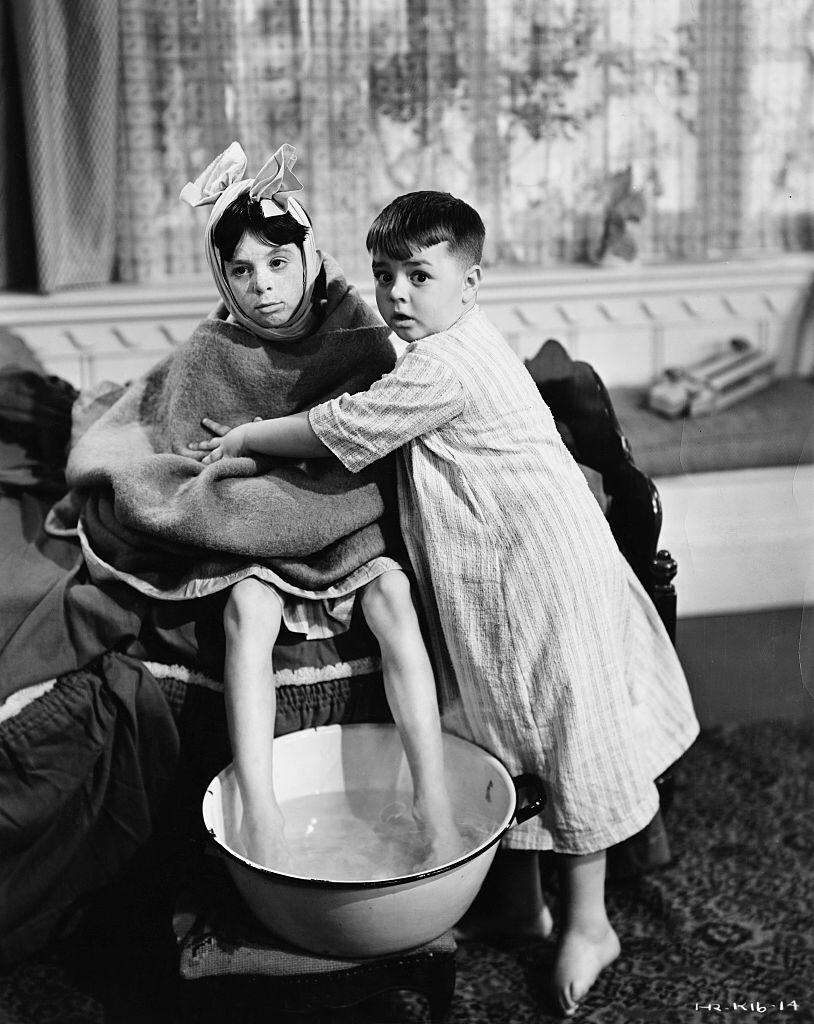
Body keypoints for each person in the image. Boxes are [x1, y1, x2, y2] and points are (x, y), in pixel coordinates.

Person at [194, 189, 700, 1016]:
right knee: (506, 727)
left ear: (471, 284)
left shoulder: (445, 364)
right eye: (385, 273)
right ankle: (523, 900)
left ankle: (590, 920)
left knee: (568, 736)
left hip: (545, 577)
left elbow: (336, 426)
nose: (396, 293)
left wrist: (249, 436)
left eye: (419, 275)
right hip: (504, 574)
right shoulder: (435, 343)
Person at [175, 148, 463, 872]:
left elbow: (373, 440)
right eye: (241, 271)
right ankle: (263, 811)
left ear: (309, 256)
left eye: (277, 263)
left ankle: (434, 800)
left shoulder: (357, 330)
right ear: (223, 280)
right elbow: (192, 455)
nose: (263, 287)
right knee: (248, 611)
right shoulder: (212, 349)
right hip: (259, 528)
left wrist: (298, 467)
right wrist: (255, 476)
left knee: (393, 594)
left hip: (342, 513)